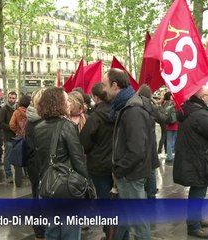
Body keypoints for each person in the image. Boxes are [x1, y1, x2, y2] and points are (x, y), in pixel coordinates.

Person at [102, 68, 153, 240]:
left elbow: (137, 149)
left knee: (138, 223)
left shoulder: (132, 109)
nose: (103, 90)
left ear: (115, 85)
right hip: (129, 173)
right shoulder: (127, 105)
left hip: (130, 174)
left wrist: (119, 169)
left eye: (104, 85)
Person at [33, 87, 90, 240]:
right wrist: (88, 187)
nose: (69, 104)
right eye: (66, 101)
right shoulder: (68, 126)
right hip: (67, 186)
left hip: (47, 184)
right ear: (58, 104)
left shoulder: (38, 128)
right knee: (70, 231)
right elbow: (78, 160)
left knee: (52, 230)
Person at [173, 85, 208, 239]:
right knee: (198, 192)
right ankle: (193, 226)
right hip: (197, 159)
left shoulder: (190, 109)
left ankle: (195, 219)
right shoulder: (199, 113)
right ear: (202, 97)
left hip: (194, 157)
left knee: (198, 191)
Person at [80, 83, 114, 239]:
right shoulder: (119, 111)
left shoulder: (95, 117)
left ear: (96, 97)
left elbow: (84, 142)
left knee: (104, 200)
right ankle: (115, 233)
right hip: (117, 162)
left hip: (99, 164)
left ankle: (109, 233)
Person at [25, 88, 47, 240]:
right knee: (40, 197)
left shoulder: (31, 118)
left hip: (34, 163)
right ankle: (40, 230)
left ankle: (39, 231)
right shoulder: (41, 121)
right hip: (40, 163)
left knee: (36, 196)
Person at [9, 95, 31, 187]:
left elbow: (11, 124)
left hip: (19, 138)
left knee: (18, 160)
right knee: (29, 158)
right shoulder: (31, 112)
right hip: (29, 138)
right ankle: (30, 178)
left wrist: (17, 131)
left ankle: (18, 182)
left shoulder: (16, 112)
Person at [0, 91, 17, 184]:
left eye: (13, 98)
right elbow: (1, 123)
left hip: (17, 137)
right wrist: (11, 127)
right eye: (10, 97)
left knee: (18, 156)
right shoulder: (4, 109)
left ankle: (19, 174)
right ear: (7, 98)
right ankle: (9, 175)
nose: (11, 99)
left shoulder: (17, 108)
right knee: (8, 157)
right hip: (8, 137)